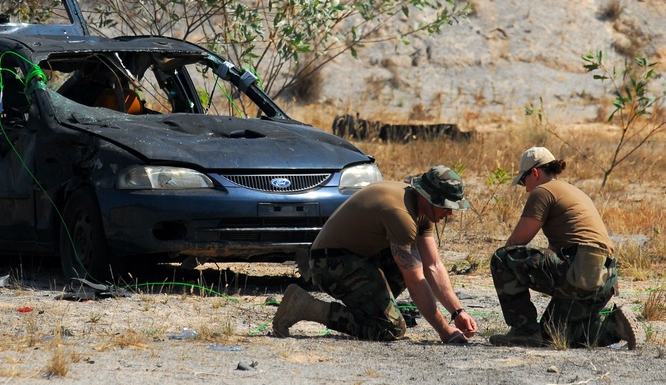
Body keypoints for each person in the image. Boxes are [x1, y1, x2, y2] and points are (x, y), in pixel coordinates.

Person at [272, 166, 478, 344]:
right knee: (390, 328)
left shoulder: (421, 210)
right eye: (446, 206)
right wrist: (444, 331)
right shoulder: (402, 216)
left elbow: (433, 266)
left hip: (356, 259)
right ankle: (305, 306)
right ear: (428, 197)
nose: (449, 213)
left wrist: (458, 312)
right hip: (329, 263)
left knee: (411, 264)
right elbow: (415, 281)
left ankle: (373, 309)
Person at [489, 147, 639, 348]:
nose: (526, 189)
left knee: (502, 258)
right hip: (605, 280)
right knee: (551, 334)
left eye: (524, 181)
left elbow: (518, 241)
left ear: (534, 173)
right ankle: (613, 327)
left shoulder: (542, 191)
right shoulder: (573, 190)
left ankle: (523, 331)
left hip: (579, 273)